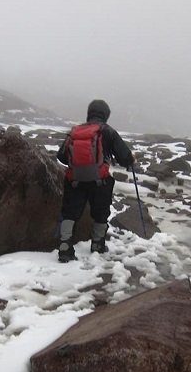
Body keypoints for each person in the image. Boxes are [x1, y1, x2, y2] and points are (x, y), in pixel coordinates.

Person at [55, 99, 134, 262]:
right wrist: (131, 160)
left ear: (89, 112)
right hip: (100, 181)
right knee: (101, 213)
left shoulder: (75, 131)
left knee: (70, 213)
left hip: (75, 180)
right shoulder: (108, 131)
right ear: (106, 114)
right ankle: (97, 244)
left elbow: (61, 156)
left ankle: (64, 247)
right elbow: (124, 157)